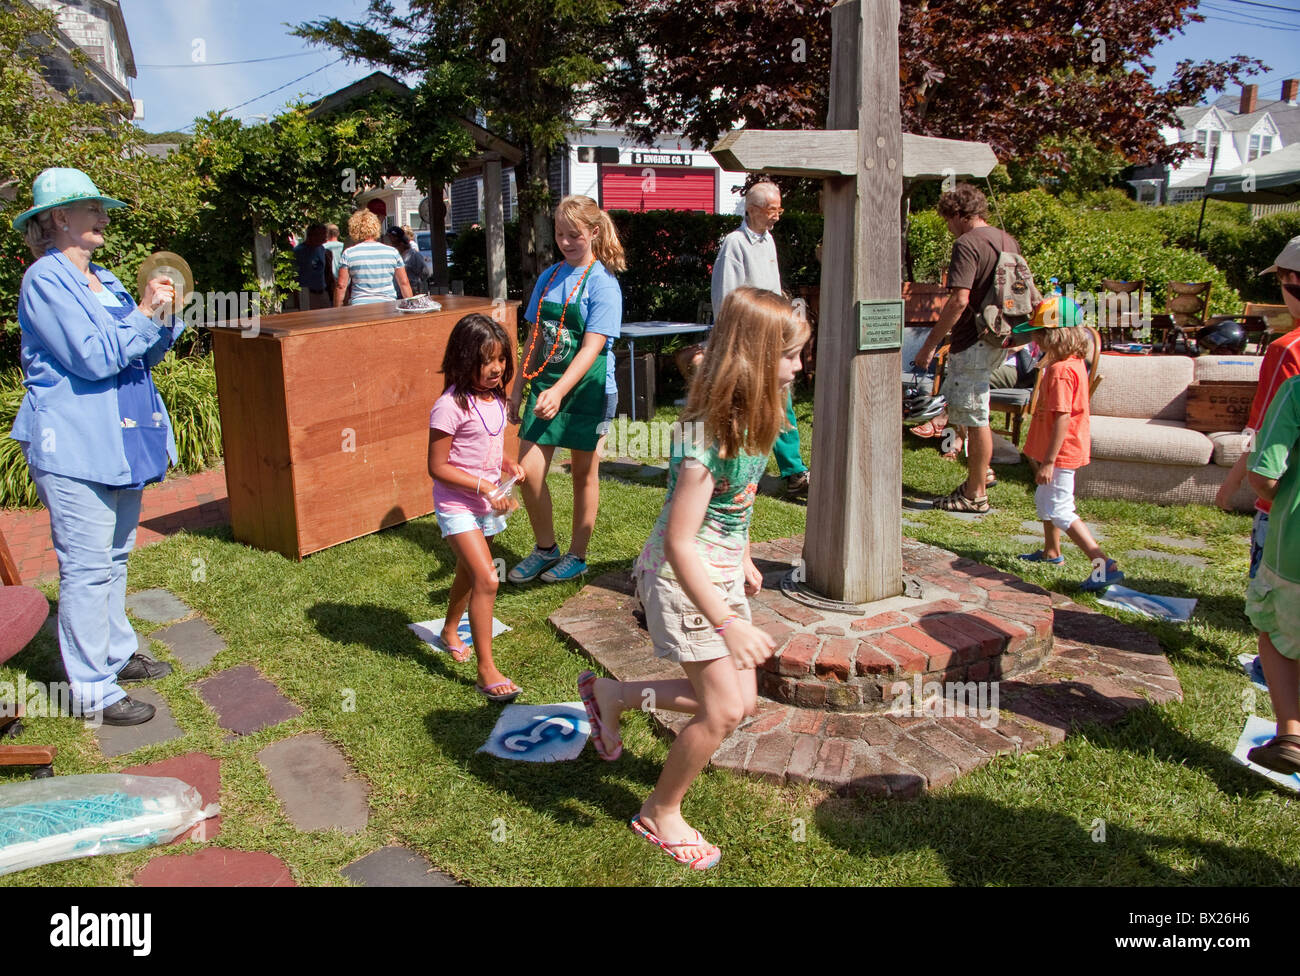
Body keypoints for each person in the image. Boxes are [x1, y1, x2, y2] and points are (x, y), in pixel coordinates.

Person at [577, 287, 808, 869]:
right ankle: (661, 810)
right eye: (792, 355)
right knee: (724, 710)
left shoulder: (766, 411)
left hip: (721, 569)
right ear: (757, 356)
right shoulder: (708, 435)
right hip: (681, 578)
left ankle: (614, 695)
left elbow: (740, 502)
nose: (800, 366)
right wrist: (726, 623)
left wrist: (745, 554)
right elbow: (681, 540)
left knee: (739, 702)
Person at [9, 167, 186, 726]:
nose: (105, 217)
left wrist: (163, 316)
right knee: (85, 568)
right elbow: (93, 356)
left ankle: (114, 654)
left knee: (114, 558)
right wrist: (140, 314)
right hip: (75, 447)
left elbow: (141, 356)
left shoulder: (104, 280)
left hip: (121, 438)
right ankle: (92, 691)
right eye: (93, 209)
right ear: (60, 218)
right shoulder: (45, 280)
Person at [506, 195, 624, 584]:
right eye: (560, 234)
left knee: (583, 475)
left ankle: (577, 555)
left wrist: (559, 391)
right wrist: (518, 387)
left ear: (593, 232)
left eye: (574, 234)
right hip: (544, 388)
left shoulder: (604, 283)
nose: (567, 242)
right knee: (528, 472)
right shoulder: (549, 276)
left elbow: (592, 347)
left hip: (588, 392)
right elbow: (535, 335)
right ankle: (545, 549)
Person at [683, 181, 810, 500]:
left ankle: (793, 471)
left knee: (781, 400)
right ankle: (732, 466)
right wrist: (735, 341)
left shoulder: (768, 242)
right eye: (772, 209)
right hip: (748, 339)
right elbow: (727, 297)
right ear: (752, 209)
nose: (777, 216)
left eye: (780, 209)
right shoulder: (735, 243)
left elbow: (774, 286)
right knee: (746, 404)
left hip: (773, 333)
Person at [428, 313, 527, 702]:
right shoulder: (449, 405)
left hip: (484, 503)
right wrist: (484, 486)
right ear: (464, 358)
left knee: (469, 573)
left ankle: (450, 630)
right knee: (487, 578)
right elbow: (437, 467)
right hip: (457, 504)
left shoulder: (496, 398)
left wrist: (506, 466)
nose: (496, 368)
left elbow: (488, 445)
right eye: (487, 361)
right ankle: (486, 670)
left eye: (501, 360)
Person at [915, 184, 1024, 514]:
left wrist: (930, 345)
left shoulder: (968, 243)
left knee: (976, 417)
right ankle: (982, 470)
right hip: (1001, 338)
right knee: (970, 408)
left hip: (974, 340)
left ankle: (975, 494)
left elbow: (959, 300)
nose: (949, 228)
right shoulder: (1007, 239)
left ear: (959, 215)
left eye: (948, 220)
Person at [1015, 298, 1123, 592]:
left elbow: (1062, 417)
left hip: (1060, 453)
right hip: (1059, 450)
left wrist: (1049, 461)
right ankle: (1052, 553)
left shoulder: (1062, 370)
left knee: (1061, 509)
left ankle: (1103, 565)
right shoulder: (1072, 363)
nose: (1034, 340)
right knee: (1044, 500)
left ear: (1052, 336)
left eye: (1037, 334)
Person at [1216, 236, 1300, 584]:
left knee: (1271, 615)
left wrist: (1230, 485)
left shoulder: (1287, 350)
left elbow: (1261, 430)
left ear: (1292, 282)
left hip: (1285, 506)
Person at [1243, 374, 1300, 774]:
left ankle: (1291, 734)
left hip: (1294, 549)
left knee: (1278, 635)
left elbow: (1263, 473)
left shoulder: (1296, 390)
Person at [334, 210, 412, 306]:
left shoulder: (349, 254)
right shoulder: (392, 252)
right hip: (388, 305)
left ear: (354, 228)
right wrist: (410, 307)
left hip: (360, 307)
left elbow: (341, 286)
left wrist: (338, 310)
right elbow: (404, 283)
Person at [294, 223, 333, 310]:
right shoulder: (298, 252)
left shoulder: (322, 249)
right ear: (312, 235)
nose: (325, 238)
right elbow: (294, 277)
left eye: (325, 234)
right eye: (322, 235)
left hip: (323, 293)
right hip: (307, 294)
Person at [388, 225, 429, 295]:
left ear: (401, 243)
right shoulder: (390, 256)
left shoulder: (413, 255)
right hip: (393, 296)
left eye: (393, 242)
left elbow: (425, 273)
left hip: (411, 295)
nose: (390, 244)